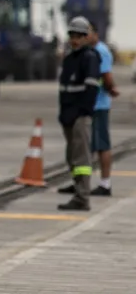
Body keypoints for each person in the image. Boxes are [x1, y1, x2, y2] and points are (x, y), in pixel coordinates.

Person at [58, 17, 102, 212]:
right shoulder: (69, 59)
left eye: (79, 36)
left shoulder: (89, 58)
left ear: (86, 37)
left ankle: (83, 196)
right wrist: (64, 114)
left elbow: (91, 88)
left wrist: (83, 112)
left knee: (82, 158)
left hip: (80, 116)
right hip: (68, 115)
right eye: (72, 36)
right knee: (72, 156)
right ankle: (78, 190)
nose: (75, 40)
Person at [89, 20, 120, 196]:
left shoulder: (101, 51)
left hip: (99, 105)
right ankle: (80, 182)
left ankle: (105, 184)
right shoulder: (89, 51)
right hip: (90, 105)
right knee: (88, 146)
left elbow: (106, 76)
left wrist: (111, 89)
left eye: (87, 33)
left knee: (101, 145)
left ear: (95, 34)